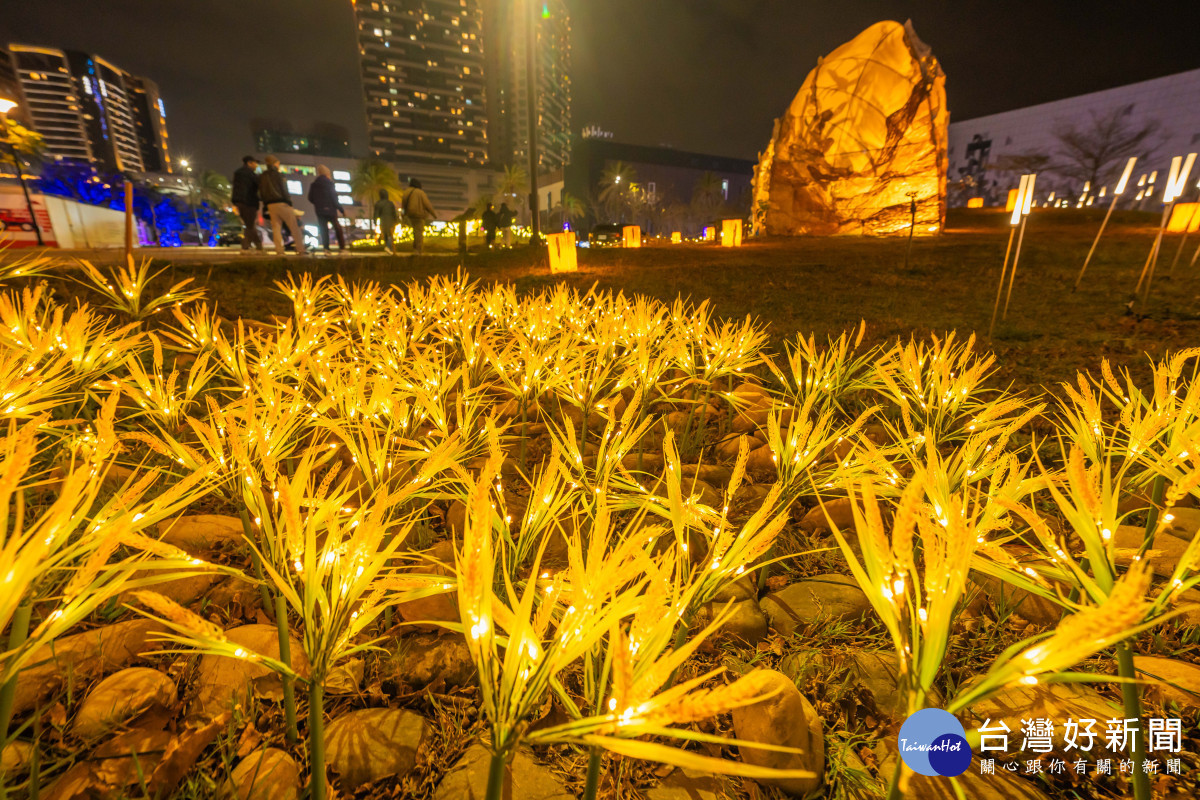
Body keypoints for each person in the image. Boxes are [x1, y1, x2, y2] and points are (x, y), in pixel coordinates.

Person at [258, 156, 307, 256]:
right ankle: (300, 249)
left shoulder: (262, 176)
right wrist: (289, 202)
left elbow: (261, 192)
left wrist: (266, 203)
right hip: (282, 202)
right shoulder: (279, 175)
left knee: (276, 228)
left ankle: (279, 250)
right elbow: (284, 189)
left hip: (270, 204)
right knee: (294, 227)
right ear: (275, 163)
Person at [308, 165, 345, 255]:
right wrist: (341, 209)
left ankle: (326, 249)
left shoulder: (314, 185)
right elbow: (334, 198)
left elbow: (310, 198)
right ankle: (342, 248)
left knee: (324, 230)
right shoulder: (330, 184)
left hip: (320, 211)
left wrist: (318, 203)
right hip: (331, 210)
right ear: (327, 174)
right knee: (337, 228)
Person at [230, 155, 263, 253]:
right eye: (255, 163)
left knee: (249, 224)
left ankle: (257, 246)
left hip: (239, 201)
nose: (256, 165)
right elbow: (259, 185)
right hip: (249, 201)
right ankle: (247, 247)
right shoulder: (251, 174)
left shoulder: (238, 173)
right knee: (250, 225)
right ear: (249, 163)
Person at [402, 178, 437, 255]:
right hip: (419, 215)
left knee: (415, 231)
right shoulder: (420, 192)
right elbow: (427, 204)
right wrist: (434, 214)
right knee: (419, 232)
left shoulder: (406, 192)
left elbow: (403, 206)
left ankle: (415, 248)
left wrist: (403, 215)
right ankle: (418, 250)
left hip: (410, 215)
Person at [374, 189, 398, 254]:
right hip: (391, 221)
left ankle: (388, 248)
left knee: (385, 235)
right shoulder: (390, 203)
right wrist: (396, 221)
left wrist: (375, 222)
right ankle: (388, 247)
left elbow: (376, 214)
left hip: (383, 221)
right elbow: (394, 213)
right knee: (390, 235)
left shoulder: (378, 203)